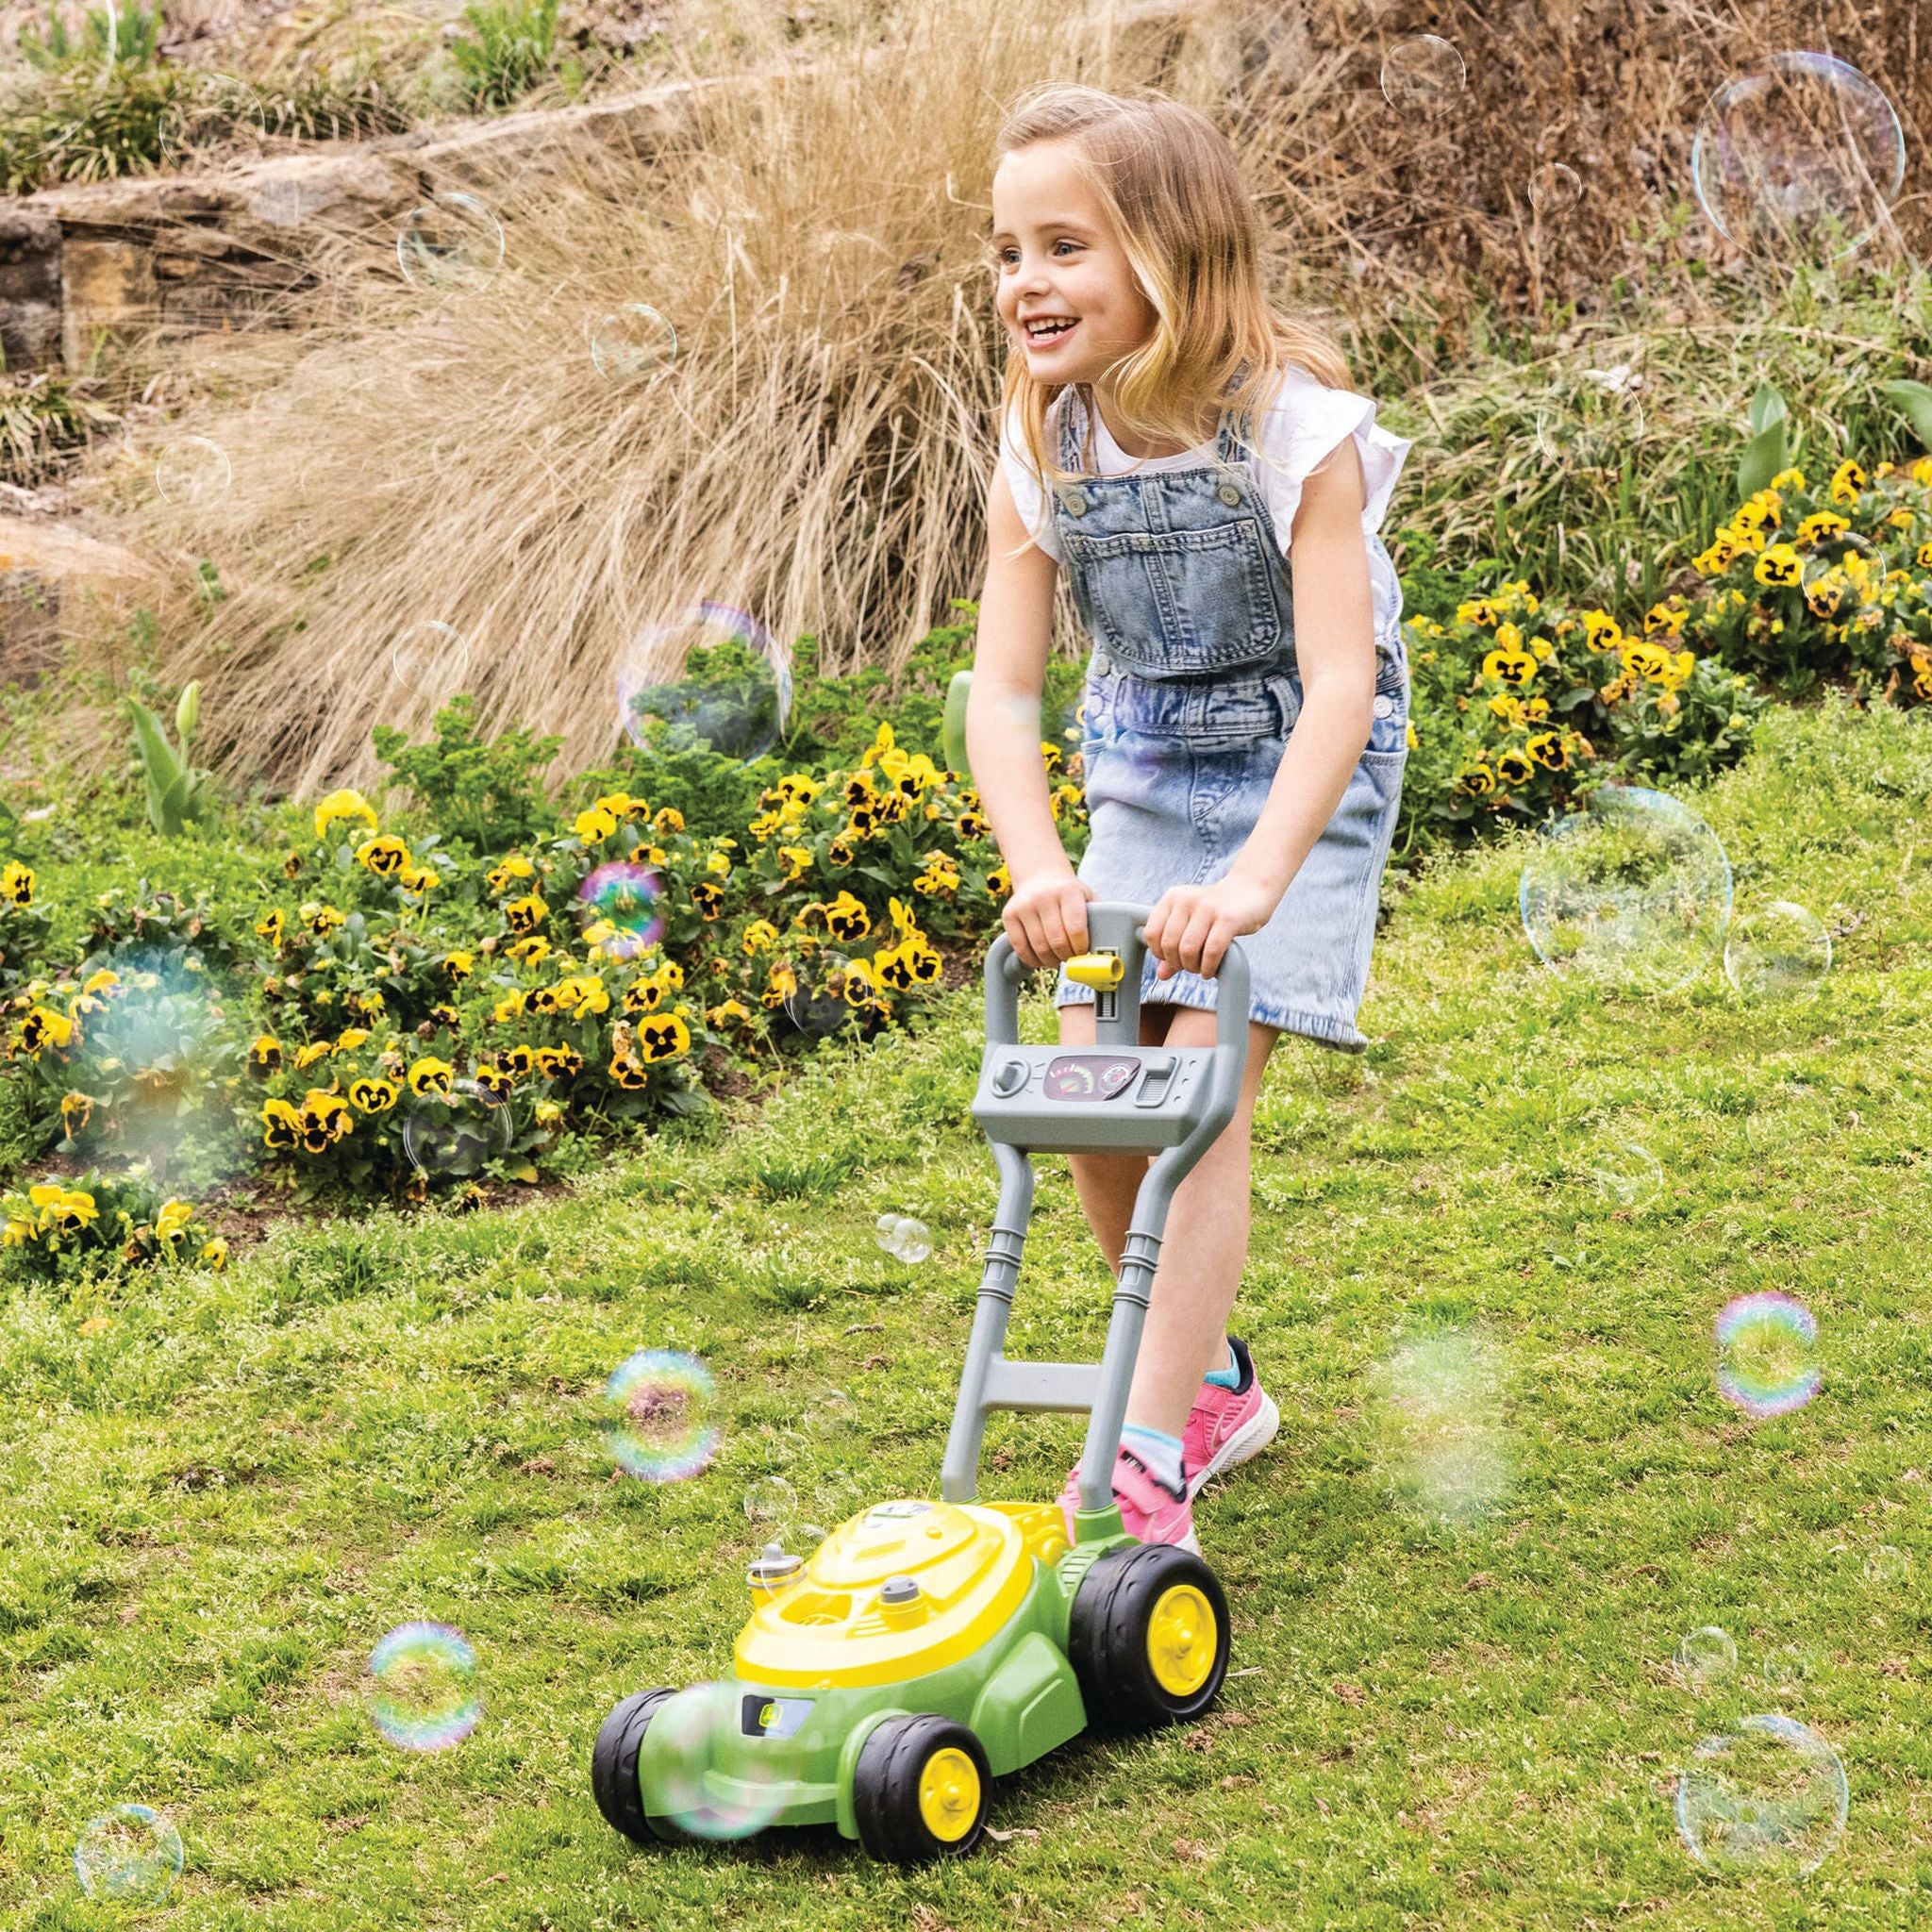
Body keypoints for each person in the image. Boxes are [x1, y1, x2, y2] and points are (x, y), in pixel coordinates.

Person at [966, 81, 1414, 1552]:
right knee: (1097, 1088)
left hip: (1298, 763)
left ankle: (1147, 1450)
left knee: (1198, 1090)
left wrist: (1259, 885)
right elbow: (1006, 690)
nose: (1028, 282)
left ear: (1175, 251)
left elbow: (1344, 684)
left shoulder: (1300, 428)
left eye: (1065, 246)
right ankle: (1210, 1381)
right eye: (1009, 251)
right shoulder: (1045, 439)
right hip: (1148, 763)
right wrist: (1039, 863)